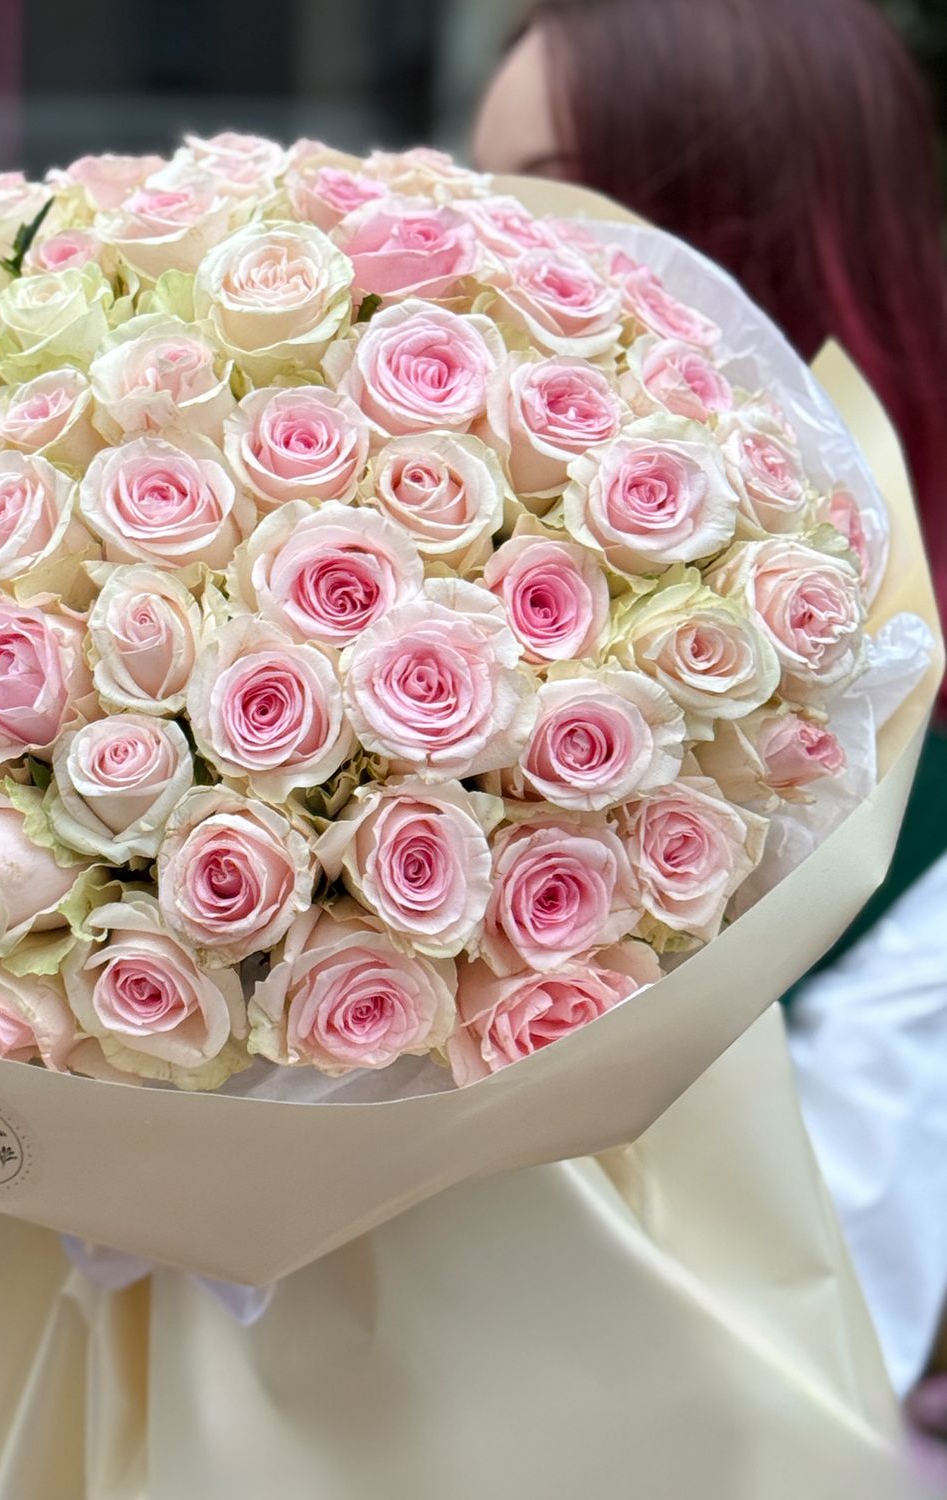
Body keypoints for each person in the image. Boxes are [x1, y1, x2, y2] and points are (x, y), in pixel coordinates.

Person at [472, 0, 947, 1404]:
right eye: (471, 189)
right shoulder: (445, 670)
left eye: (556, 196)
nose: (482, 249)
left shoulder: (913, 783)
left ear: (741, 231)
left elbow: (833, 1311)